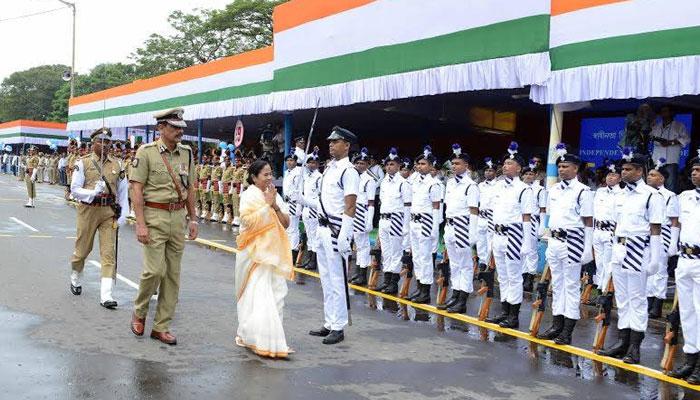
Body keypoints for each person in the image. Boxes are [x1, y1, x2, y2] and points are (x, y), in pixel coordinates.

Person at [129, 108, 198, 346]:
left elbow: (190, 188)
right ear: (161, 128)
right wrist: (140, 224)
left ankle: (161, 326)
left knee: (172, 275)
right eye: (174, 127)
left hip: (177, 218)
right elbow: (136, 189)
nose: (179, 131)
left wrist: (194, 218)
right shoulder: (145, 152)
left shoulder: (187, 153)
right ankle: (140, 311)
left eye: (181, 128)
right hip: (154, 216)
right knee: (154, 271)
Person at [597, 147, 664, 364]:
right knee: (623, 299)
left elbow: (655, 229)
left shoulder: (651, 196)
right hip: (618, 249)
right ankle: (622, 341)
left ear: (640, 171)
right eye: (622, 169)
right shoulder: (620, 194)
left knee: (637, 300)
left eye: (628, 169)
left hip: (638, 250)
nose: (623, 172)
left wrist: (656, 258)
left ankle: (635, 346)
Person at [234, 159, 294, 358]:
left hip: (274, 255)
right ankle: (253, 336)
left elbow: (285, 223)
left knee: (277, 294)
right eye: (265, 175)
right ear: (254, 177)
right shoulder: (249, 196)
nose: (270, 178)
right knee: (257, 295)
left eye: (271, 174)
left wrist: (274, 206)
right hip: (254, 255)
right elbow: (246, 222)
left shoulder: (274, 195)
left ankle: (273, 340)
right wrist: (265, 207)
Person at [537, 144, 593, 345]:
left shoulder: (583, 191)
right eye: (560, 167)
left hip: (573, 241)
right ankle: (556, 324)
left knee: (570, 286)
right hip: (554, 240)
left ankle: (567, 330)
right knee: (557, 284)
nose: (561, 170)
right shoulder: (554, 190)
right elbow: (551, 214)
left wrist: (587, 248)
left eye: (566, 167)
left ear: (576, 169)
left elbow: (588, 222)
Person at [309, 126, 359, 345]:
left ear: (346, 145)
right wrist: (303, 200)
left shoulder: (349, 171)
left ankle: (338, 327)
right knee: (326, 279)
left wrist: (345, 236)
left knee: (338, 280)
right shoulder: (329, 168)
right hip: (321, 227)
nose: (330, 144)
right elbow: (325, 202)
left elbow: (350, 206)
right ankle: (329, 322)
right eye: (330, 141)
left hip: (336, 229)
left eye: (335, 141)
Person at [69, 128, 129, 307]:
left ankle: (106, 295)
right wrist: (92, 192)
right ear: (93, 143)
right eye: (100, 141)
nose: (104, 145)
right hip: (88, 211)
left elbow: (123, 191)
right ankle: (75, 276)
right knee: (82, 251)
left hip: (108, 212)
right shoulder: (83, 162)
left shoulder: (117, 165)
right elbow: (74, 189)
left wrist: (124, 214)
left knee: (108, 254)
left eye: (107, 142)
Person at [486, 142, 534, 328]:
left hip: (514, 234)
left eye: (510, 163)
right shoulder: (497, 187)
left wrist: (527, 243)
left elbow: (527, 218)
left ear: (519, 168)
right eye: (504, 163)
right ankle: (504, 310)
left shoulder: (523, 189)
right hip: (497, 234)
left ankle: (513, 315)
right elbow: (492, 213)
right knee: (503, 275)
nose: (505, 166)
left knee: (514, 276)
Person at [669, 150, 700, 383]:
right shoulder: (684, 197)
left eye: (699, 170)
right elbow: (676, 225)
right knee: (687, 312)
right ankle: (690, 358)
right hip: (685, 259)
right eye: (694, 170)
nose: (695, 174)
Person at [442, 144, 479, 313]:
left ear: (466, 166)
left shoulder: (471, 186)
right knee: (454, 264)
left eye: (458, 164)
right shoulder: (449, 183)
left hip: (462, 227)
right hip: (450, 226)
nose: (454, 166)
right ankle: (455, 294)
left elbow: (473, 211)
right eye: (453, 163)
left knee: (465, 264)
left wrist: (472, 234)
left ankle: (463, 298)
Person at [369, 148, 411, 289]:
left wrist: (405, 226)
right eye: (387, 164)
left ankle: (393, 282)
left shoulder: (403, 183)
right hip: (383, 219)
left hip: (396, 219)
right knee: (386, 252)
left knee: (396, 251)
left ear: (399, 166)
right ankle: (386, 280)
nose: (388, 167)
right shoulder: (385, 182)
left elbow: (407, 205)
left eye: (392, 164)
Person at [407, 146, 442, 304]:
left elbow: (436, 207)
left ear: (431, 167)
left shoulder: (433, 184)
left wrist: (434, 228)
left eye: (423, 164)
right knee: (417, 257)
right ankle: (419, 286)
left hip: (426, 221)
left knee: (426, 257)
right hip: (414, 221)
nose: (420, 166)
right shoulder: (415, 181)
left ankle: (425, 290)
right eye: (418, 163)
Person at [645, 158, 679, 318]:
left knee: (659, 270)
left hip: (663, 234)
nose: (649, 177)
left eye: (653, 175)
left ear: (662, 179)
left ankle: (657, 303)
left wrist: (673, 243)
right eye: (649, 174)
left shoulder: (669, 196)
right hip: (646, 234)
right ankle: (648, 300)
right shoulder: (644, 193)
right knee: (647, 269)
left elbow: (674, 221)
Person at [592, 160, 623, 289]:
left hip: (610, 231)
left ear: (620, 178)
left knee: (608, 262)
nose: (610, 177)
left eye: (614, 175)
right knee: (599, 262)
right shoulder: (600, 191)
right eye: (609, 175)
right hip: (597, 229)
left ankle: (605, 290)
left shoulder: (622, 194)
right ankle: (599, 286)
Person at [351, 148, 378, 289]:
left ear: (367, 165)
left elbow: (371, 202)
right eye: (358, 163)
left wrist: (369, 221)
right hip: (353, 211)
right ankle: (358, 271)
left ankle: (362, 273)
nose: (360, 165)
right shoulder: (353, 177)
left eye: (363, 163)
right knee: (358, 243)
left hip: (363, 212)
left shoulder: (370, 180)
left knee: (363, 245)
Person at [521, 159, 547, 292]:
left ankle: (530, 277)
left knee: (531, 250)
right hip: (519, 221)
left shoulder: (540, 190)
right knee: (520, 250)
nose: (528, 176)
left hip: (532, 221)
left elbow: (543, 208)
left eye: (531, 174)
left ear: (536, 175)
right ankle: (523, 274)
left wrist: (542, 225)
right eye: (526, 174)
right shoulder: (520, 187)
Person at [650, 105, 690, 193]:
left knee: (670, 186)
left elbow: (686, 139)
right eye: (662, 111)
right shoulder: (656, 126)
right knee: (654, 184)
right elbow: (650, 137)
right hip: (656, 160)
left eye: (666, 111)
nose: (663, 113)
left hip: (671, 160)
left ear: (672, 113)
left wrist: (671, 142)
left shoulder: (679, 126)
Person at [299, 150, 322, 270]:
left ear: (318, 164)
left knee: (314, 235)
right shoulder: (307, 176)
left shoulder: (319, 177)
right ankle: (309, 258)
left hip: (314, 208)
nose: (311, 164)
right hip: (306, 209)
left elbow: (320, 195)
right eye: (310, 163)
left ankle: (313, 260)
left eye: (314, 162)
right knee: (309, 234)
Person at [476, 157, 498, 270]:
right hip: (481, 215)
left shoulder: (498, 185)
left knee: (490, 240)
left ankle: (489, 264)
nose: (488, 173)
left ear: (495, 172)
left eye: (490, 171)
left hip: (492, 216)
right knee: (480, 241)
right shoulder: (480, 185)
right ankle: (482, 262)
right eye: (486, 171)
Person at [282, 152, 303, 262]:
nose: (289, 162)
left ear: (296, 162)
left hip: (295, 203)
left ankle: (293, 252)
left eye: (292, 160)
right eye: (288, 160)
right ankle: (287, 250)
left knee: (293, 229)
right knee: (287, 228)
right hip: (286, 203)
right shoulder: (287, 172)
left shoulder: (299, 172)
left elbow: (299, 189)